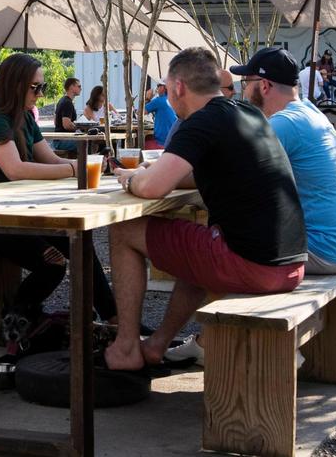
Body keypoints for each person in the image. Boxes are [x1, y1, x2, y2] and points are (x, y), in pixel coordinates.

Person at [105, 47, 306, 372]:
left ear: (179, 87)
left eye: (169, 91)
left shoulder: (200, 122)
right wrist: (153, 176)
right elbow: (195, 175)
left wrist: (131, 180)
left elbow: (154, 188)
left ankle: (126, 347)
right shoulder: (246, 112)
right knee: (198, 243)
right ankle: (156, 345)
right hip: (293, 264)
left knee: (123, 230)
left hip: (255, 266)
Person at [0, 53, 118, 323]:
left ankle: (113, 319)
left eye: (43, 87)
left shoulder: (25, 118)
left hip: (3, 216)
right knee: (52, 263)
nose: (41, 94)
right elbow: (15, 170)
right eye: (36, 87)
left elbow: (51, 159)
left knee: (78, 243)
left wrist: (92, 164)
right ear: (14, 84)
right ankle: (15, 318)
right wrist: (76, 169)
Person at [236, 47, 336, 274]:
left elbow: (227, 172)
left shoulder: (285, 123)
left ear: (264, 85)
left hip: (321, 250)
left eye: (246, 82)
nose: (243, 91)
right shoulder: (309, 113)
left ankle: (222, 308)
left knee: (205, 243)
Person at [51, 77, 81, 153]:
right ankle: (84, 164)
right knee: (87, 143)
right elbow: (66, 125)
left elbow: (55, 122)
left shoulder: (62, 100)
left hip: (58, 140)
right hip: (62, 141)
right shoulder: (67, 102)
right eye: (79, 86)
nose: (81, 89)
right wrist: (80, 127)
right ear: (71, 87)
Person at [144, 80, 178, 147]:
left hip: (161, 141)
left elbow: (140, 113)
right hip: (174, 138)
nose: (157, 88)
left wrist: (147, 98)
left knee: (144, 142)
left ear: (164, 87)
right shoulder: (174, 100)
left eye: (158, 85)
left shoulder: (159, 101)